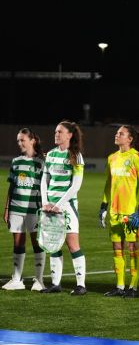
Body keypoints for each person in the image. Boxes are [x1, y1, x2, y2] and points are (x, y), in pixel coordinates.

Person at [100, 125, 139, 298]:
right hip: (114, 211)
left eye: (121, 133)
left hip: (131, 212)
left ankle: (133, 287)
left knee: (132, 248)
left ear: (130, 139)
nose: (117, 135)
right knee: (117, 249)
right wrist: (103, 206)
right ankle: (120, 285)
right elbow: (108, 184)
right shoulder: (112, 158)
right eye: (117, 133)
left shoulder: (138, 158)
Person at [40, 120, 87, 295]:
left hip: (66, 206)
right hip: (49, 207)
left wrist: (58, 205)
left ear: (69, 135)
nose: (56, 134)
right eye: (55, 131)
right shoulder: (50, 154)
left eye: (60, 132)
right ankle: (55, 284)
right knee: (53, 244)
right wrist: (46, 202)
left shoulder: (75, 156)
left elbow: (75, 186)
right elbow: (44, 182)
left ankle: (81, 285)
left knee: (72, 244)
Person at [2, 128, 46, 291]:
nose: (20, 143)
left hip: (34, 209)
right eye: (18, 141)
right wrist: (7, 208)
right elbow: (12, 186)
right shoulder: (16, 161)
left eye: (22, 140)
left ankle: (39, 280)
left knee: (37, 243)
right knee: (18, 243)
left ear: (32, 140)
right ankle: (16, 279)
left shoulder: (41, 162)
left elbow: (45, 188)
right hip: (16, 208)